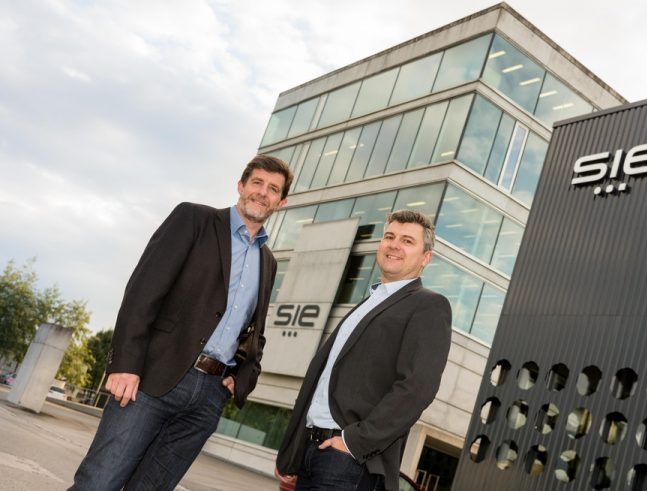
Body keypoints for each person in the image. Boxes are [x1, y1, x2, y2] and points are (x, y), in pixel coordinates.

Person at [70, 155, 292, 491]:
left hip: (208, 398)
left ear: (281, 202)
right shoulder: (194, 219)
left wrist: (242, 378)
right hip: (152, 379)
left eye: (273, 189)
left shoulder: (268, 261)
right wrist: (125, 364)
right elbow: (143, 291)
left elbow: (255, 332)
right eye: (257, 183)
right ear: (241, 185)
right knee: (99, 482)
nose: (263, 193)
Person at [275, 210, 452, 491]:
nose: (394, 245)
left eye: (407, 241)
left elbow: (417, 387)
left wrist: (354, 442)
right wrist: (293, 454)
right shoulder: (368, 303)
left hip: (348, 462)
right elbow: (321, 382)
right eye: (389, 237)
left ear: (425, 258)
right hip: (313, 452)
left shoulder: (429, 305)